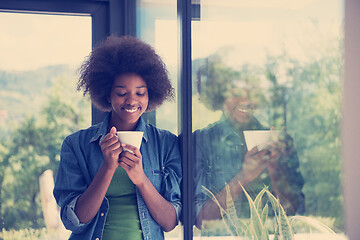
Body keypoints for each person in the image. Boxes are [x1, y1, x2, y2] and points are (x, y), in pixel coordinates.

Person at [53, 35, 182, 240]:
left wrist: (141, 179)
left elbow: (170, 222)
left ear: (150, 95)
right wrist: (107, 167)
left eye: (140, 93)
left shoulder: (166, 144)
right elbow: (74, 221)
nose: (132, 100)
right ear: (107, 95)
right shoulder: (76, 145)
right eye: (122, 93)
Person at [193, 56, 305, 229]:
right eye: (236, 93)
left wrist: (276, 171)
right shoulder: (200, 142)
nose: (246, 100)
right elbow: (200, 220)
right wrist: (243, 176)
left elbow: (295, 214)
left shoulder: (281, 141)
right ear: (219, 94)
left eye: (252, 93)